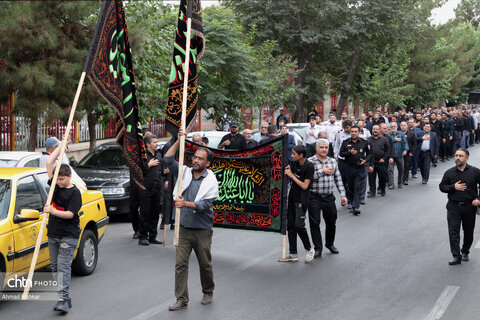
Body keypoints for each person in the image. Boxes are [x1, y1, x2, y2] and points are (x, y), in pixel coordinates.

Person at [164, 129, 219, 311]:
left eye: (200, 159)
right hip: (184, 228)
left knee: (205, 263)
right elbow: (167, 159)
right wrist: (180, 140)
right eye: (194, 157)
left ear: (207, 163)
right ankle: (181, 299)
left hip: (202, 230)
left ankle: (208, 290)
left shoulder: (211, 180)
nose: (196, 160)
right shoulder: (184, 172)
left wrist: (185, 203)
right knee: (180, 264)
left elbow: (204, 206)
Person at [43, 144, 82, 313]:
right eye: (57, 179)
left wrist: (51, 210)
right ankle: (63, 296)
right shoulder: (54, 186)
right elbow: (49, 163)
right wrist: (60, 147)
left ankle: (63, 299)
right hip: (53, 233)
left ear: (69, 176)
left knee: (64, 267)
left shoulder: (75, 193)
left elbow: (71, 214)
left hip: (68, 235)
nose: (58, 182)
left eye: (61, 179)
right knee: (55, 267)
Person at [439, 149, 480, 265]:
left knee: (468, 232)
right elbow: (442, 187)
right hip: (453, 207)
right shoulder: (449, 172)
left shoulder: (475, 172)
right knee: (453, 232)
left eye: (460, 156)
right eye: (456, 155)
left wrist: (478, 199)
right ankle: (456, 256)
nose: (457, 158)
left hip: (469, 207)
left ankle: (465, 251)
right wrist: (453, 187)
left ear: (467, 158)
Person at [308, 139, 348, 257]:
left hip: (329, 197)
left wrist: (343, 195)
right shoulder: (310, 162)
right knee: (315, 223)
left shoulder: (332, 161)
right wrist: (322, 171)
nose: (324, 150)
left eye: (326, 147)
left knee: (331, 222)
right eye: (321, 147)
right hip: (314, 196)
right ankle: (318, 248)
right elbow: (308, 178)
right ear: (316, 148)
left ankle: (329, 244)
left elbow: (338, 179)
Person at [278, 145, 315, 263]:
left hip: (302, 200)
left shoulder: (309, 166)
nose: (292, 155)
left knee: (299, 225)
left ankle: (309, 249)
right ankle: (293, 253)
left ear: (301, 156)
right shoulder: (293, 163)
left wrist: (291, 175)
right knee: (291, 226)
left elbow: (305, 186)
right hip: (292, 198)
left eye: (294, 154)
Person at [138, 135, 166, 245]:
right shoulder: (143, 156)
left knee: (155, 212)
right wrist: (148, 165)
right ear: (148, 144)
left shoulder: (159, 154)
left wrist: (165, 172)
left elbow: (162, 170)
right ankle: (143, 236)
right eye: (154, 142)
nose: (157, 144)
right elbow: (138, 170)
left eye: (157, 141)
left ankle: (153, 236)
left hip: (157, 187)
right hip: (145, 188)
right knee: (145, 213)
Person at [339, 125, 371, 215]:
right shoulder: (345, 142)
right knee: (350, 187)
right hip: (348, 168)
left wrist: (365, 160)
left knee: (358, 187)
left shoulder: (365, 142)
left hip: (360, 168)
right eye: (352, 131)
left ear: (359, 132)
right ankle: (351, 202)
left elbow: (370, 154)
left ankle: (356, 206)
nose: (353, 133)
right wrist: (349, 152)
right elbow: (341, 154)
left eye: (355, 131)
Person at [367, 125, 390, 197]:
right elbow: (366, 151)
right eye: (374, 129)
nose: (375, 130)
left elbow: (388, 150)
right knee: (371, 178)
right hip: (372, 162)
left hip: (381, 162)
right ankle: (372, 192)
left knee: (382, 177)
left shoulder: (384, 139)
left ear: (379, 130)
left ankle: (382, 189)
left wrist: (384, 158)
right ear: (372, 130)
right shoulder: (368, 140)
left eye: (377, 129)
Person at [387, 122, 408, 189]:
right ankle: (391, 184)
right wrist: (394, 140)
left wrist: (405, 150)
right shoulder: (387, 135)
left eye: (394, 126)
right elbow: (387, 143)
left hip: (399, 154)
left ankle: (399, 182)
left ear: (397, 127)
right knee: (390, 170)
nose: (393, 127)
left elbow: (405, 143)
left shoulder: (401, 134)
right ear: (390, 128)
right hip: (391, 156)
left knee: (401, 169)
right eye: (392, 126)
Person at [400, 121, 416, 186]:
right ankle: (400, 178)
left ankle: (405, 179)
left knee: (407, 166)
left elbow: (414, 144)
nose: (403, 127)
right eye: (402, 125)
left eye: (404, 125)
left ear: (407, 126)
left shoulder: (411, 134)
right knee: (400, 167)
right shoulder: (398, 133)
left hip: (408, 153)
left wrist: (412, 152)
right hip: (399, 153)